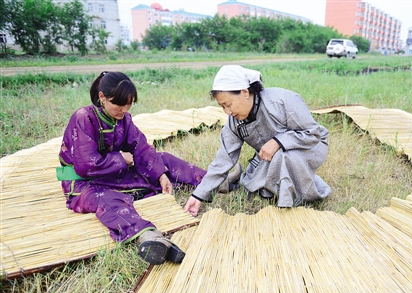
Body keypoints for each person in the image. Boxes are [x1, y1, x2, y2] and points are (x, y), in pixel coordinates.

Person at [57, 71, 240, 265]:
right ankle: (149, 237)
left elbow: (141, 148)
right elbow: (86, 165)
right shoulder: (84, 117)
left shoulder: (124, 119)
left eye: (129, 104)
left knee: (163, 159)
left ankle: (216, 181)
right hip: (86, 184)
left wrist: (160, 175)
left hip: (115, 174)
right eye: (118, 104)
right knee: (109, 200)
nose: (124, 109)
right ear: (102, 97)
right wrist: (120, 158)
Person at [183, 65, 332, 217]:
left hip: (310, 147)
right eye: (222, 107)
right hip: (272, 156)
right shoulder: (234, 123)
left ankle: (292, 205)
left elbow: (313, 134)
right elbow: (223, 160)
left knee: (284, 157)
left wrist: (278, 141)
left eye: (229, 105)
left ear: (245, 92)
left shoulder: (282, 100)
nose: (227, 112)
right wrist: (198, 196)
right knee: (253, 181)